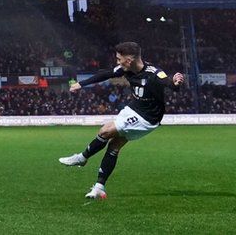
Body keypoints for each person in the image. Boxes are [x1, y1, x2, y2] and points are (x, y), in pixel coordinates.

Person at [58, 42, 184, 199]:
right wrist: (81, 84)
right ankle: (99, 187)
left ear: (129, 59)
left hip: (147, 117)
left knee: (105, 130)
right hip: (133, 109)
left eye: (119, 59)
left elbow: (170, 83)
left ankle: (82, 158)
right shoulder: (125, 69)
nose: (117, 62)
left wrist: (176, 81)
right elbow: (106, 74)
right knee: (114, 146)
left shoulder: (154, 73)